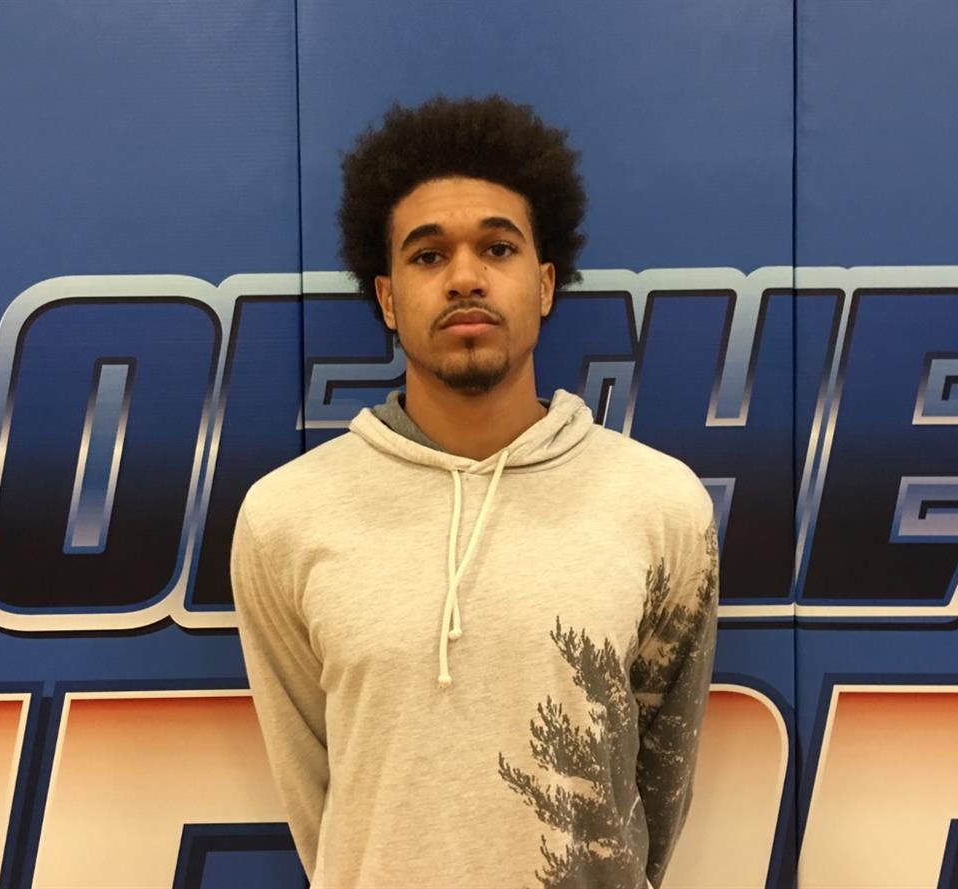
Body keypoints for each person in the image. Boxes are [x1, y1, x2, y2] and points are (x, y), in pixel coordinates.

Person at [231, 94, 719, 889]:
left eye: (497, 248)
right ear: (388, 298)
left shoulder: (659, 503)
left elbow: (656, 785)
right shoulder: (287, 516)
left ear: (545, 283)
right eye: (428, 256)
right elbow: (316, 794)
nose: (465, 277)